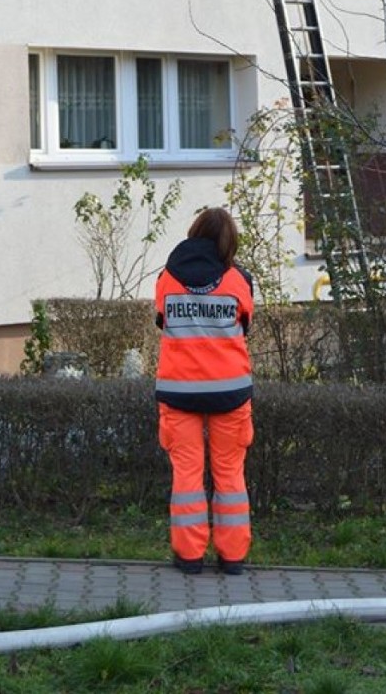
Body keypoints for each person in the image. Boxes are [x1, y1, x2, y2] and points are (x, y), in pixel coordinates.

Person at [154, 207, 254, 576]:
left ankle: (190, 557)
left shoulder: (167, 278)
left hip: (179, 390)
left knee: (187, 477)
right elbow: (245, 325)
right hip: (230, 391)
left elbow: (161, 321)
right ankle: (232, 559)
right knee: (230, 475)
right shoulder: (239, 279)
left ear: (193, 233)